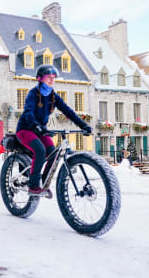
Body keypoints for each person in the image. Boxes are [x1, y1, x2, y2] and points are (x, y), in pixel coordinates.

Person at [16, 65, 92, 197]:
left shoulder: (53, 96)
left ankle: (44, 184)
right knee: (40, 150)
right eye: (48, 78)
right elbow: (28, 112)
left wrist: (83, 125)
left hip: (41, 130)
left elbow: (68, 111)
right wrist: (35, 126)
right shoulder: (33, 93)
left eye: (53, 78)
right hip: (26, 129)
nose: (51, 80)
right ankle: (33, 186)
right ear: (40, 79)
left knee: (52, 153)